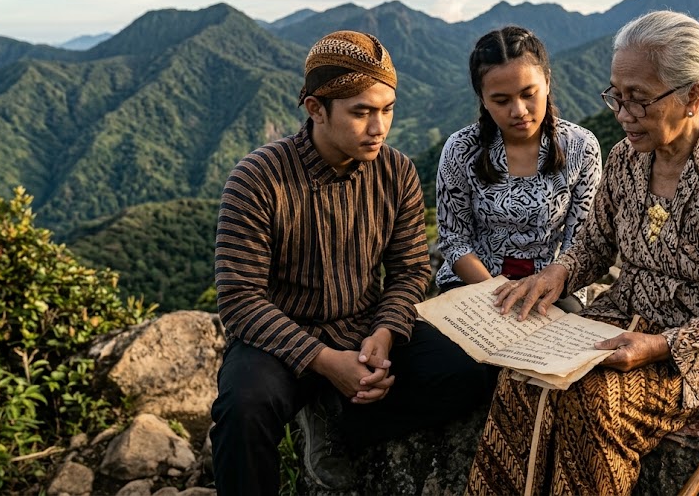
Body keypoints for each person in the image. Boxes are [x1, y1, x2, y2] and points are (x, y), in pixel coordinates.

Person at [465, 11, 699, 495]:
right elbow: (595, 243)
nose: (623, 114)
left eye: (638, 99)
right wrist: (559, 274)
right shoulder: (625, 159)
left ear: (692, 96)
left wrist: (658, 345)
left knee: (594, 406)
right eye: (616, 96)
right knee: (523, 378)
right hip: (626, 311)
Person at [210, 30, 494, 495]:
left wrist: (384, 334)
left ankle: (337, 425)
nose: (379, 127)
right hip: (283, 339)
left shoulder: (396, 171)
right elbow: (240, 300)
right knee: (243, 408)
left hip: (365, 327)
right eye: (361, 112)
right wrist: (322, 361)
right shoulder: (258, 179)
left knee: (470, 373)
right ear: (316, 109)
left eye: (386, 109)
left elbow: (408, 271)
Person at [434, 26, 602, 311]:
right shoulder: (461, 148)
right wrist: (496, 292)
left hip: (553, 285)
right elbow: (453, 238)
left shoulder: (580, 147)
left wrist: (544, 283)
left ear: (547, 83)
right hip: (473, 283)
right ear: (483, 100)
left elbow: (580, 242)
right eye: (501, 100)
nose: (519, 111)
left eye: (528, 94)